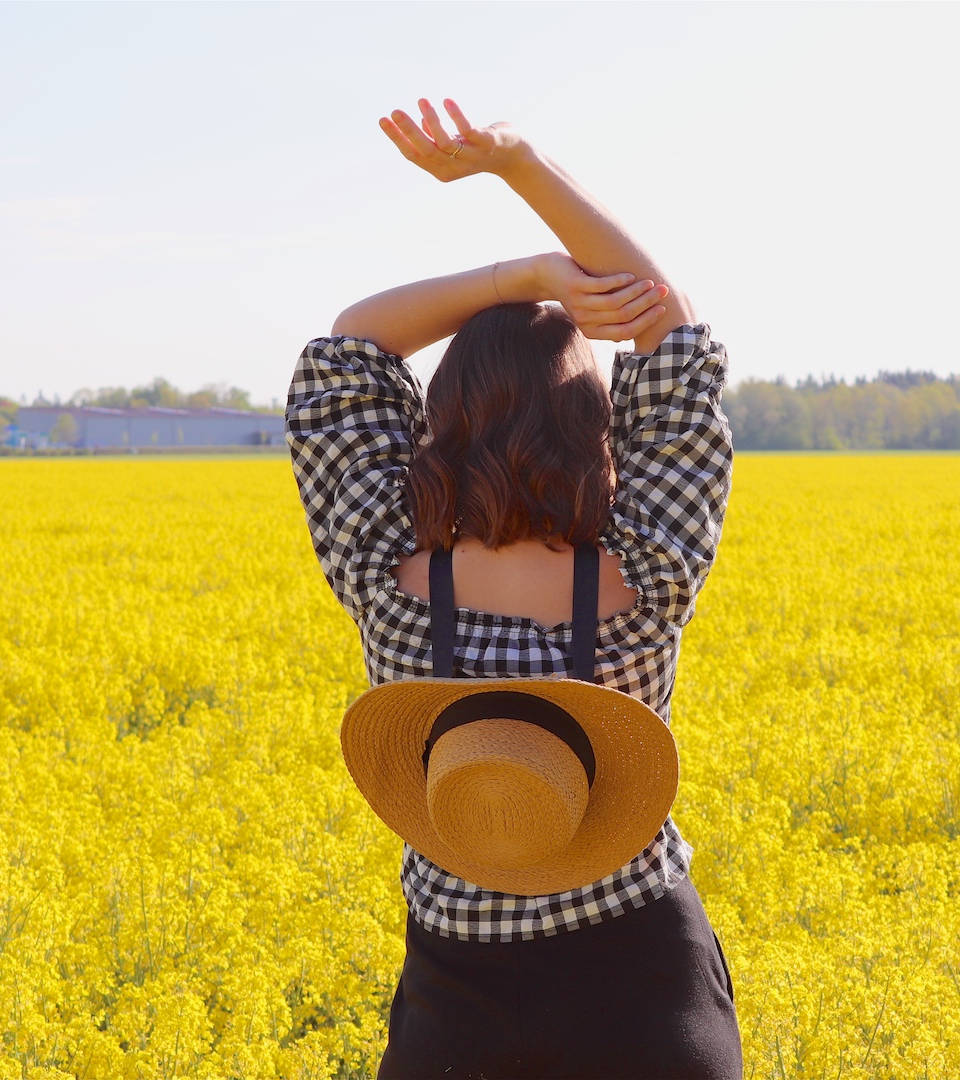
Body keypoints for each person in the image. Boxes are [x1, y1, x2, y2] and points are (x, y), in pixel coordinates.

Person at [286, 98, 740, 1080]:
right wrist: (523, 166)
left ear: (437, 421)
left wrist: (520, 278)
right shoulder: (645, 573)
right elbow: (671, 325)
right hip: (646, 976)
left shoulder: (383, 567)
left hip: (459, 993)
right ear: (597, 428)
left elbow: (350, 345)